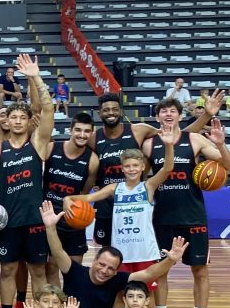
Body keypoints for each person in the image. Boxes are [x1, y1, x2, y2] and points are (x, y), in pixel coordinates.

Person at [39, 201, 198, 308]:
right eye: (101, 264)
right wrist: (50, 227)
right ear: (94, 261)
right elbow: (58, 250)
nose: (104, 271)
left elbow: (148, 273)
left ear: (116, 271)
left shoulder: (116, 279)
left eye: (110, 268)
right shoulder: (74, 271)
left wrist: (170, 260)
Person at [0, 54, 56, 308]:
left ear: (27, 121)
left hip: (34, 219)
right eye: (13, 117)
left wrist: (35, 77)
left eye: (23, 117)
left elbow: (47, 109)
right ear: (6, 121)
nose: (18, 120)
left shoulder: (38, 143)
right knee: (7, 270)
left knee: (38, 272)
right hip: (7, 221)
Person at [146, 106, 230, 308]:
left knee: (200, 271)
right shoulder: (149, 144)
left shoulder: (194, 139)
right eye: (163, 112)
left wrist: (220, 145)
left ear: (179, 115)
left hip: (193, 216)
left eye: (172, 111)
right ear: (157, 117)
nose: (168, 115)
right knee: (160, 271)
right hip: (162, 217)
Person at [88, 91, 219, 248]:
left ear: (121, 111)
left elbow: (176, 135)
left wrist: (206, 115)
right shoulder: (93, 138)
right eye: (106, 110)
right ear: (99, 113)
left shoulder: (139, 130)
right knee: (107, 251)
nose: (111, 113)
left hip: (134, 201)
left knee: (136, 251)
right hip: (106, 203)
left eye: (115, 109)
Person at [68, 141, 177, 288]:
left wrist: (169, 145)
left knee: (145, 293)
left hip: (144, 252)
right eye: (127, 166)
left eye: (135, 166)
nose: (131, 169)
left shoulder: (148, 186)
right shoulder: (114, 188)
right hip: (121, 253)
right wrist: (67, 199)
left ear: (143, 167)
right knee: (119, 294)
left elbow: (168, 168)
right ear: (122, 169)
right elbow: (88, 198)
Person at [42, 112, 98, 284]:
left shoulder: (92, 160)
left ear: (91, 133)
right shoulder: (53, 148)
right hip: (51, 218)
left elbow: (84, 193)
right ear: (70, 130)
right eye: (78, 130)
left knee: (74, 270)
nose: (82, 135)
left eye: (87, 131)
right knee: (51, 267)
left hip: (74, 220)